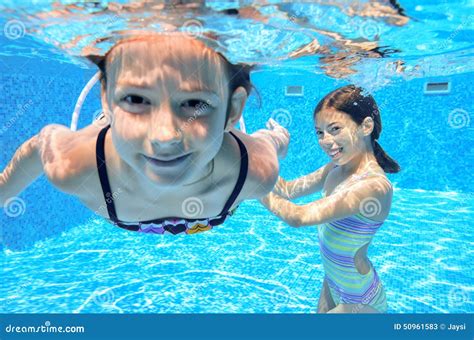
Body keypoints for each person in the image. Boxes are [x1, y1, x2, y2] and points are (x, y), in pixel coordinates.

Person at [0, 33, 289, 235]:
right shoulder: (74, 166)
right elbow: (42, 143)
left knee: (275, 139)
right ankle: (107, 120)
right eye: (136, 100)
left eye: (194, 103)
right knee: (107, 129)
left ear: (234, 110)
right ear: (106, 98)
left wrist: (277, 139)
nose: (165, 136)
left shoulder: (255, 172)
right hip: (108, 139)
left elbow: (269, 146)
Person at [260, 85, 400, 313]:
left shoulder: (373, 185)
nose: (325, 140)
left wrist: (248, 182)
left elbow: (298, 216)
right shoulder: (335, 168)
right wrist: (262, 150)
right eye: (320, 132)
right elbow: (287, 190)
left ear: (366, 126)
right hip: (333, 283)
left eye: (335, 129)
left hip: (360, 301)